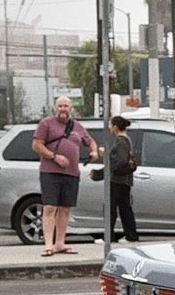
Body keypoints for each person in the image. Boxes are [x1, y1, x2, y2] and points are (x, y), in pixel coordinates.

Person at [31, 95, 99, 256]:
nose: (63, 109)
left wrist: (94, 151)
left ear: (71, 108)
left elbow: (90, 142)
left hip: (71, 173)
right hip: (50, 172)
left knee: (66, 209)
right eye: (60, 106)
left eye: (66, 106)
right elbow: (36, 145)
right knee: (49, 207)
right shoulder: (46, 123)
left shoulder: (77, 126)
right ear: (56, 108)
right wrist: (54, 157)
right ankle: (48, 244)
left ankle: (60, 243)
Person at [107, 116, 139, 243]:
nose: (109, 128)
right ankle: (131, 235)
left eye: (110, 125)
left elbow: (120, 161)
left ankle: (109, 237)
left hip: (118, 180)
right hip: (125, 180)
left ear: (115, 127)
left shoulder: (120, 141)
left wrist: (107, 156)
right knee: (125, 207)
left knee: (112, 208)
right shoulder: (127, 140)